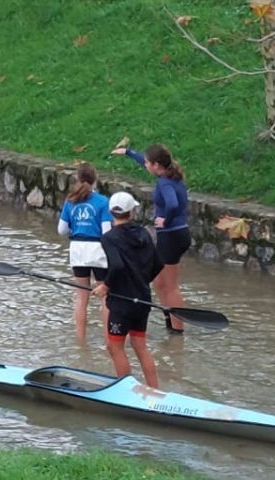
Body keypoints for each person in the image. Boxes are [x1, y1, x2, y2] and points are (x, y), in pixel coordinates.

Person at [113, 136, 191, 334]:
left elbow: (172, 204)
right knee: (157, 280)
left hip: (171, 236)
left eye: (147, 162)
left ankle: (178, 328)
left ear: (157, 165)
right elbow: (145, 162)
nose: (145, 165)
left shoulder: (165, 183)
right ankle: (168, 316)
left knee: (171, 286)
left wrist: (165, 219)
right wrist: (129, 153)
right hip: (176, 235)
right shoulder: (170, 175)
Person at [93, 191, 164, 391]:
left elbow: (116, 266)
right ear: (132, 212)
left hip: (121, 303)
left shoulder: (108, 238)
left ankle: (126, 391)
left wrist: (105, 286)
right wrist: (141, 281)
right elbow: (158, 264)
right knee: (140, 347)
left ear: (111, 213)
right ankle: (155, 390)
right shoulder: (144, 233)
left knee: (114, 347)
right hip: (142, 300)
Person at [56, 162, 113, 343]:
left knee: (81, 297)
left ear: (77, 179)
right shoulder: (103, 202)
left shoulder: (70, 200)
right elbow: (107, 232)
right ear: (96, 180)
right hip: (98, 250)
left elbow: (61, 230)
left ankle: (80, 341)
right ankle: (109, 340)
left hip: (78, 250)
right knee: (105, 296)